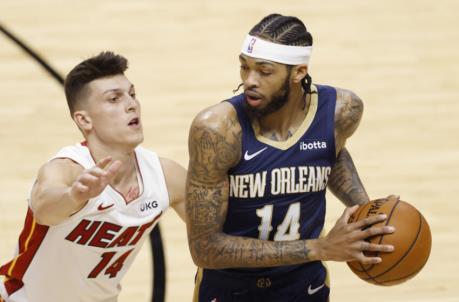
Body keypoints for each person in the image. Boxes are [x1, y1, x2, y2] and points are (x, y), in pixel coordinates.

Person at [186, 13, 396, 302]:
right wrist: (320, 248)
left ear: (298, 72)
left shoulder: (341, 111)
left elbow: (330, 154)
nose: (250, 81)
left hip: (303, 286)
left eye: (264, 71)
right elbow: (204, 248)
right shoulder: (217, 130)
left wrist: (367, 211)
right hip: (230, 289)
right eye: (244, 68)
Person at [0, 51, 186, 302]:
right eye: (114, 99)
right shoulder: (67, 168)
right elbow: (45, 208)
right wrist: (74, 195)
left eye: (132, 94)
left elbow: (217, 230)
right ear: (84, 119)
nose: (131, 104)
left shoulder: (165, 176)